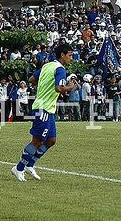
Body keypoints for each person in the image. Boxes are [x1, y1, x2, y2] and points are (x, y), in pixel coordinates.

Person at [11, 44, 76, 182]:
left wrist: (45, 87)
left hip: (48, 109)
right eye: (70, 55)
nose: (72, 58)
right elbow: (59, 88)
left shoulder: (48, 66)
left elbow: (32, 79)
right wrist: (70, 87)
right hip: (44, 108)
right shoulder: (60, 69)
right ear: (63, 55)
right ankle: (19, 168)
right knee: (38, 140)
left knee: (51, 140)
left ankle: (30, 165)